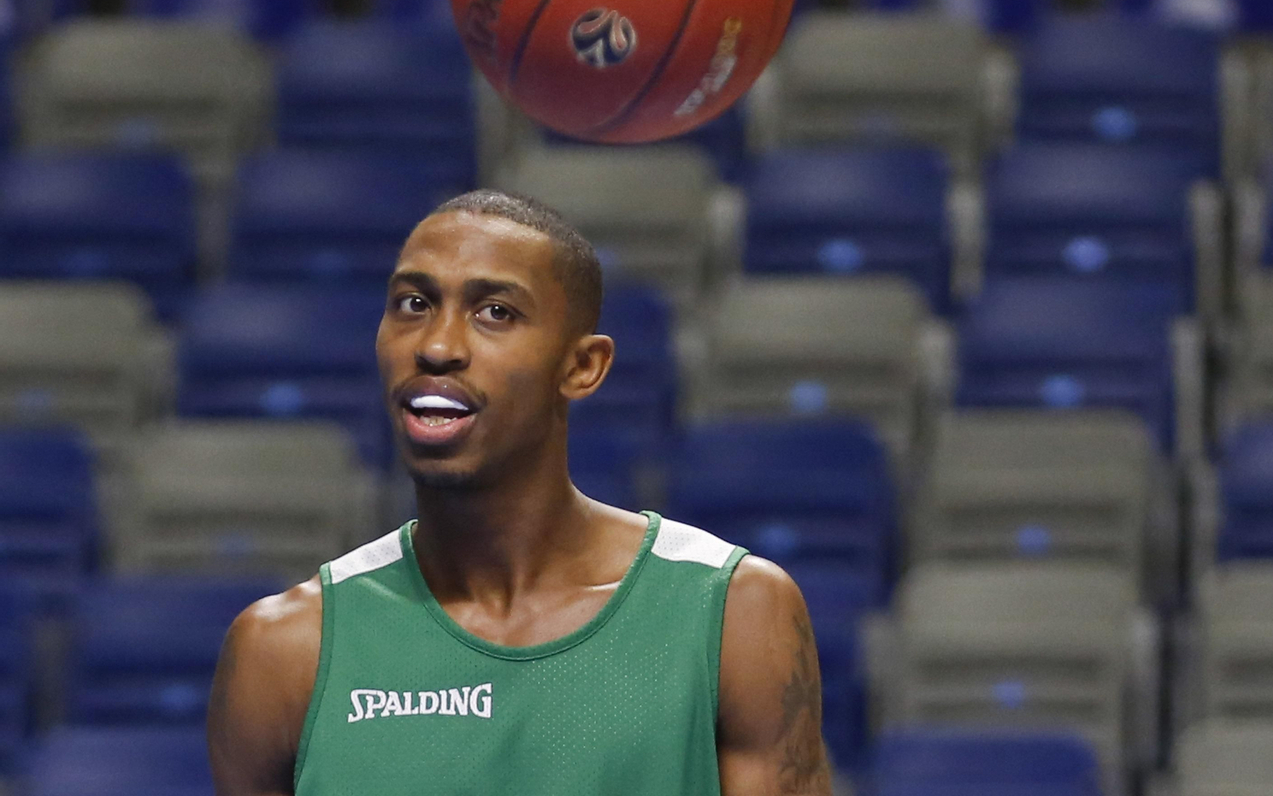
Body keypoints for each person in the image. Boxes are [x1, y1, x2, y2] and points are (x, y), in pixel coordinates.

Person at [207, 189, 831, 796]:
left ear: (582, 366)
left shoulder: (733, 612)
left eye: (495, 312)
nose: (437, 346)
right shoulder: (284, 649)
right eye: (413, 303)